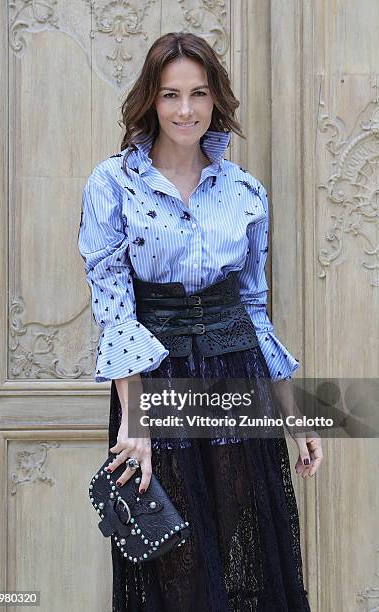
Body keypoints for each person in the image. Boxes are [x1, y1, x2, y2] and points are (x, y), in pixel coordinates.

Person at [78, 32, 323, 612]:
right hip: (155, 381)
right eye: (170, 95)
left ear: (216, 101)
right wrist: (134, 421)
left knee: (246, 550)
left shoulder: (245, 193)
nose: (184, 110)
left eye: (198, 94)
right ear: (151, 101)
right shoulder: (112, 184)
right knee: (173, 560)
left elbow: (255, 312)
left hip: (235, 374)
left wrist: (297, 413)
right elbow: (114, 308)